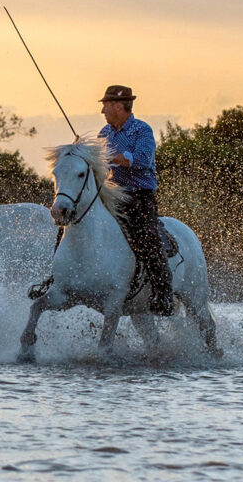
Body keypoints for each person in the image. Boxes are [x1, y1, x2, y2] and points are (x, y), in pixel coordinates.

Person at [97, 84, 174, 316]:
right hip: (111, 194)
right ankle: (56, 277)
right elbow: (100, 164)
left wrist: (114, 157)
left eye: (106, 106)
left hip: (139, 196)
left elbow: (142, 159)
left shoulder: (142, 130)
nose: (103, 112)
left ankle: (163, 293)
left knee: (147, 237)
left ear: (119, 106)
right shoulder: (105, 133)